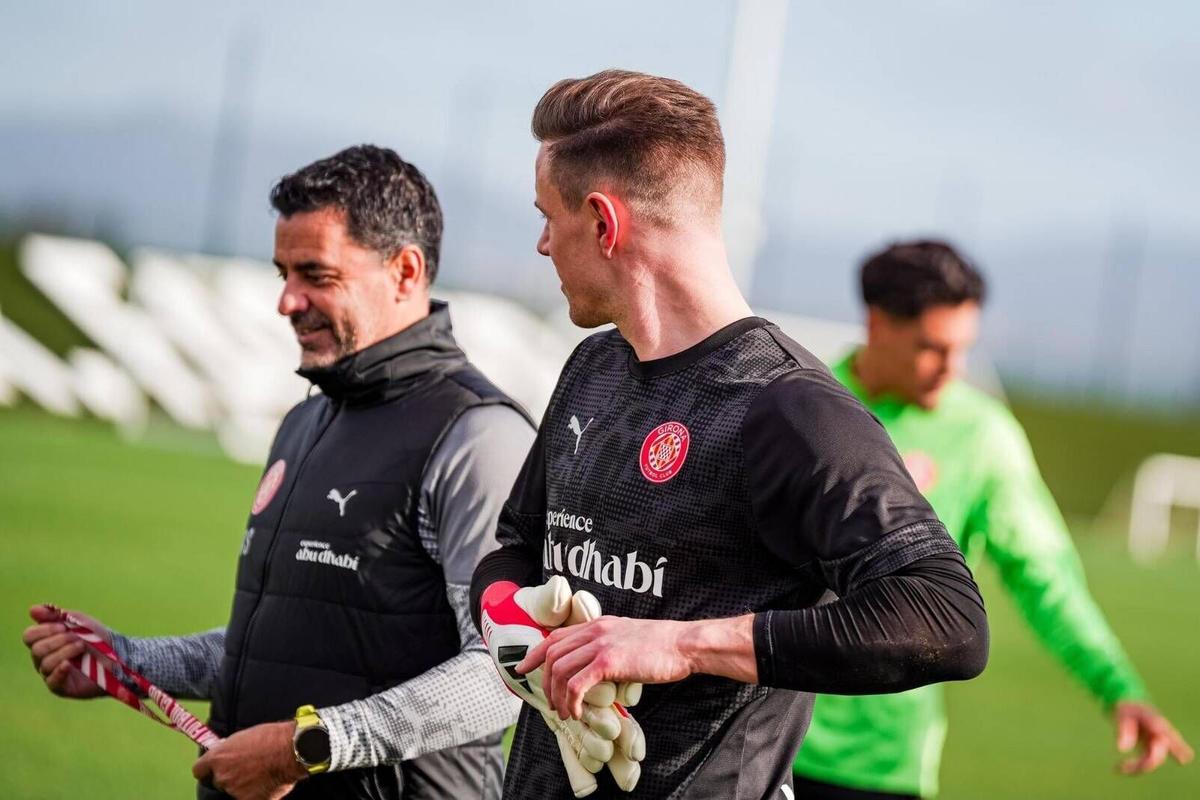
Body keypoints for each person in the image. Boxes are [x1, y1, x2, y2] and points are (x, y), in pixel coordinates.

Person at [468, 70, 990, 800]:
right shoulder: (592, 367)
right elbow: (516, 546)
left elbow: (947, 617)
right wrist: (506, 622)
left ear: (604, 222)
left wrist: (680, 646)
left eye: (548, 217)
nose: (542, 244)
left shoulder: (788, 408)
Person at [22, 145, 532, 800]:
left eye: (315, 274)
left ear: (404, 271)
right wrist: (128, 659)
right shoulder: (308, 419)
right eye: (282, 273)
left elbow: (503, 673)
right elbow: (283, 643)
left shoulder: (476, 435)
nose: (286, 301)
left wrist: (307, 748)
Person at [792, 240, 1194, 799]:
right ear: (878, 323)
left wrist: (1117, 686)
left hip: (881, 762)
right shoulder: (804, 407)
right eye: (931, 348)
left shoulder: (982, 438)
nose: (951, 370)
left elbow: (1046, 577)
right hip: (772, 737)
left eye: (962, 349)